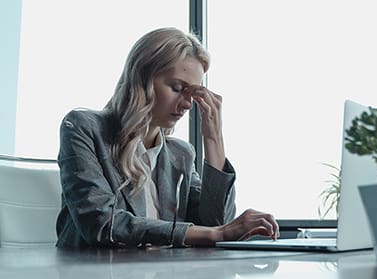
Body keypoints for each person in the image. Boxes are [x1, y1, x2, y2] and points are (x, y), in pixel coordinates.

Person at [55, 27, 279, 248]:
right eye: (177, 88)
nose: (188, 103)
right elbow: (100, 224)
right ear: (141, 80)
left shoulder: (180, 154)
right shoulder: (83, 127)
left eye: (193, 93)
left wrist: (214, 140)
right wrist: (216, 233)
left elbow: (215, 225)